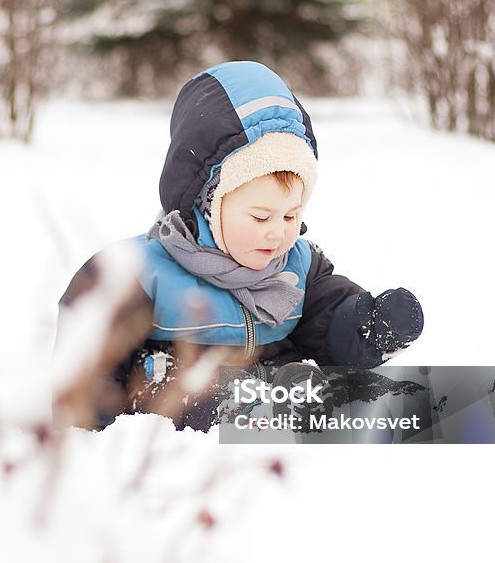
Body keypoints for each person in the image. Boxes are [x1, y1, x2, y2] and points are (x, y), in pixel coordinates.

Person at [54, 61, 423, 431]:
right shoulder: (139, 272)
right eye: (261, 218)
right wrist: (85, 437)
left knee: (315, 383)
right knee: (195, 391)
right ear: (207, 204)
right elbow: (88, 371)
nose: (277, 233)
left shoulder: (298, 267)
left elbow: (328, 324)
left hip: (275, 411)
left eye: (291, 216)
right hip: (176, 421)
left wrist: (369, 327)